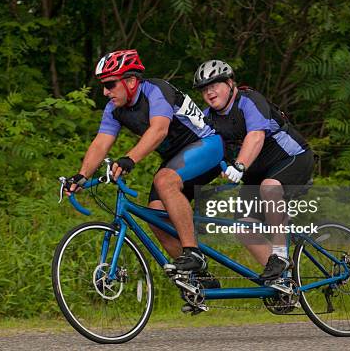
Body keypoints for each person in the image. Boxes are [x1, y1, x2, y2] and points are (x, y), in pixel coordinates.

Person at [65, 49, 224, 274]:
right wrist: (82, 175)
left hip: (208, 146)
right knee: (155, 213)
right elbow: (101, 143)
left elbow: (159, 129)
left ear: (130, 81)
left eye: (110, 84)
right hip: (177, 157)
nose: (105, 91)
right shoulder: (114, 109)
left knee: (165, 180)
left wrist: (130, 158)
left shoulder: (156, 90)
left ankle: (193, 253)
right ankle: (198, 279)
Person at [194, 60, 314, 280]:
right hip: (257, 173)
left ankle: (280, 255)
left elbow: (256, 136)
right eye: (204, 89)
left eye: (214, 85)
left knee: (270, 188)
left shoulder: (249, 100)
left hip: (292, 158)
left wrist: (239, 165)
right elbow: (202, 150)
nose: (209, 92)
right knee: (243, 228)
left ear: (230, 83)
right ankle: (281, 281)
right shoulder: (208, 117)